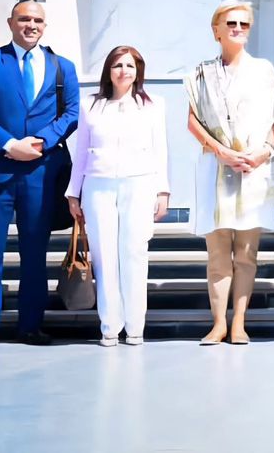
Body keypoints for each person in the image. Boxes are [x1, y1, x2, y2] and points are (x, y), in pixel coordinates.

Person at [0, 0, 79, 348]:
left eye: (38, 21)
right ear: (11, 23)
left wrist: (41, 142)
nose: (31, 25)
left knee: (34, 251)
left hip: (40, 172)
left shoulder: (62, 66)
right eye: (24, 19)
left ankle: (30, 324)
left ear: (45, 26)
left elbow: (72, 113)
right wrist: (9, 144)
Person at [185, 0, 274, 345]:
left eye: (244, 24)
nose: (238, 29)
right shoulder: (202, 73)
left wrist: (263, 152)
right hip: (215, 167)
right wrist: (223, 152)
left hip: (254, 168)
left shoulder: (264, 70)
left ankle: (240, 322)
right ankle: (218, 323)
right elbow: (192, 121)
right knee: (218, 252)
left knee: (246, 252)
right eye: (231, 23)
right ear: (216, 30)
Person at [65, 46, 170, 347]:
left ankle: (135, 326)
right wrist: (73, 192)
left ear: (138, 71)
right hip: (98, 185)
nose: (124, 71)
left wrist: (162, 190)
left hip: (139, 184)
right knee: (104, 256)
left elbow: (160, 149)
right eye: (117, 65)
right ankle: (110, 326)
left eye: (130, 66)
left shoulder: (153, 104)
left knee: (134, 253)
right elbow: (81, 152)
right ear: (108, 71)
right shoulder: (91, 104)